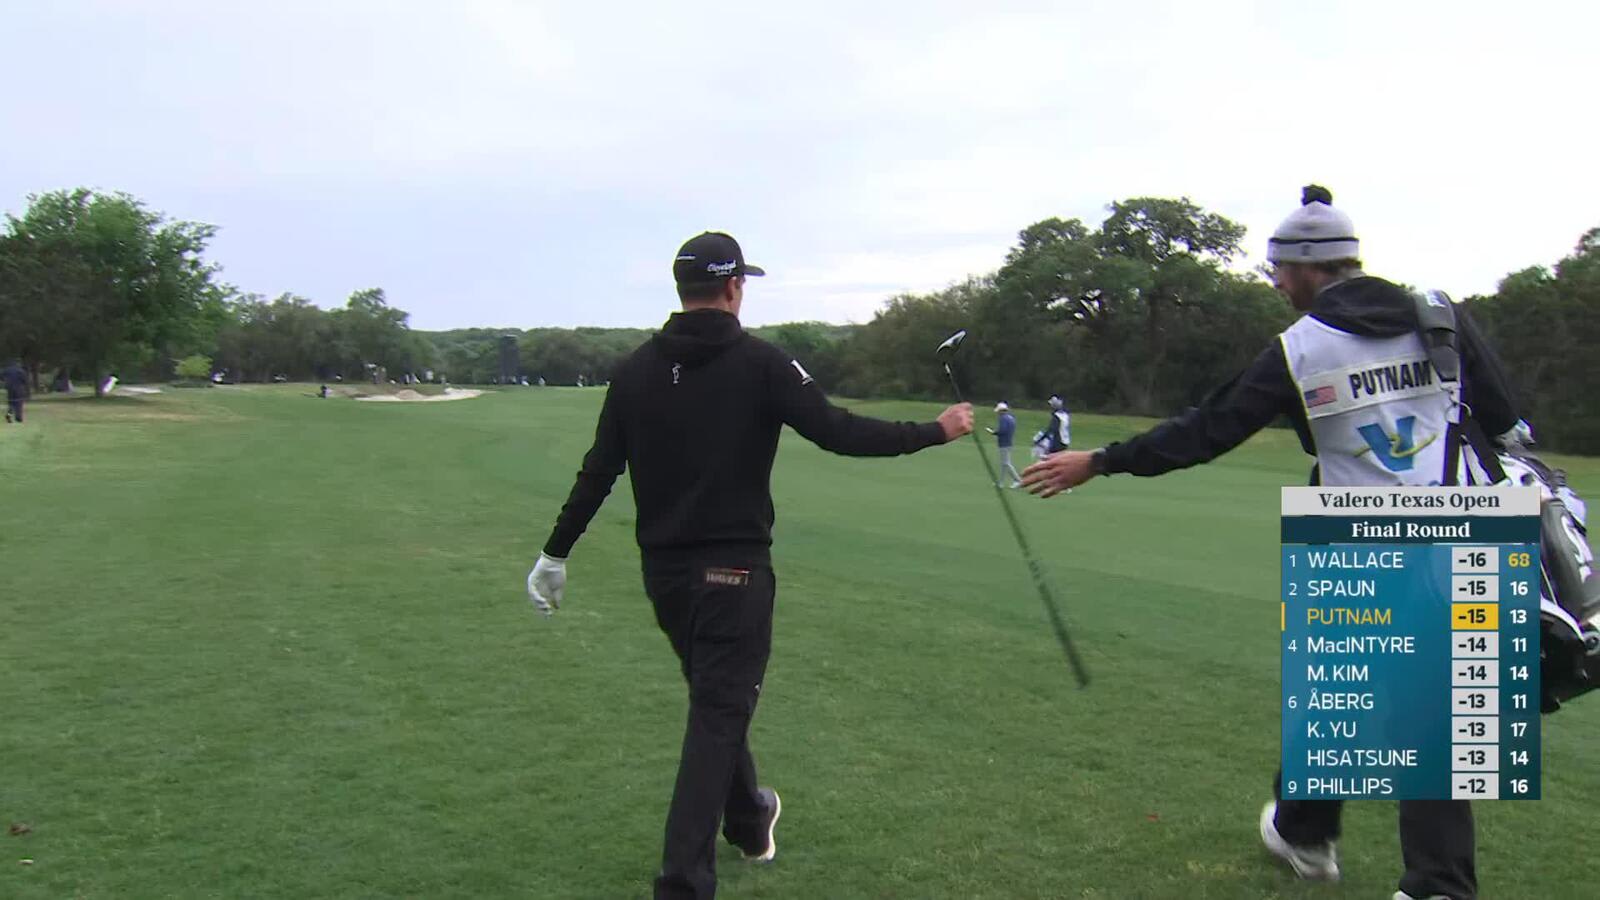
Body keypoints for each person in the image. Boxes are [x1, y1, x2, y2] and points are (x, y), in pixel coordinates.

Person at [1021, 186, 1519, 900]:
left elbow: (1207, 430)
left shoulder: (1301, 347)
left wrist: (1099, 462)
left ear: (1311, 268)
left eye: (1278, 271)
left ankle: (1337, 849)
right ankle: (1346, 850)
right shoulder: (1440, 314)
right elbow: (1500, 418)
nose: (1277, 284)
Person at [525, 231, 973, 900]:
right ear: (733, 287)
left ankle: (750, 819)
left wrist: (554, 551)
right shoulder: (761, 363)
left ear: (684, 290)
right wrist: (935, 430)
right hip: (733, 575)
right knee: (715, 716)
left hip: (667, 578)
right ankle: (682, 882)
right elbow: (840, 432)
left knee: (717, 705)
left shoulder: (634, 369)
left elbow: (599, 471)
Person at [988, 401, 1022, 487]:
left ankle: (1018, 480)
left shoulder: (1003, 418)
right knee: (1004, 464)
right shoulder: (1011, 418)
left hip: (1004, 443)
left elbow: (1002, 430)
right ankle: (1001, 482)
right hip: (1009, 442)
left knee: (1006, 463)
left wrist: (994, 432)